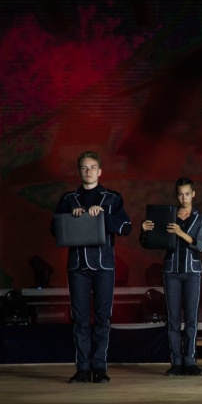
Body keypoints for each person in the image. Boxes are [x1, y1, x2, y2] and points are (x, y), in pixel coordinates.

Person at [51, 151, 131, 384]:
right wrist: (70, 216)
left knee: (103, 317)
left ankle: (100, 368)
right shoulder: (68, 199)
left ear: (100, 171)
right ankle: (83, 368)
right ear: (79, 171)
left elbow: (126, 227)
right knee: (80, 318)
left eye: (92, 167)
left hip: (104, 265)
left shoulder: (112, 198)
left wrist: (104, 216)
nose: (88, 171)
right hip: (77, 266)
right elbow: (54, 228)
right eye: (84, 167)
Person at [141, 177, 202, 376]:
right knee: (173, 319)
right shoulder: (168, 216)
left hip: (192, 272)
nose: (184, 198)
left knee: (191, 319)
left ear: (193, 194)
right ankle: (176, 362)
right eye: (180, 194)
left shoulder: (201, 219)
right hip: (171, 272)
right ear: (176, 195)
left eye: (187, 194)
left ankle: (190, 361)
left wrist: (180, 233)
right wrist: (144, 231)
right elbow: (150, 242)